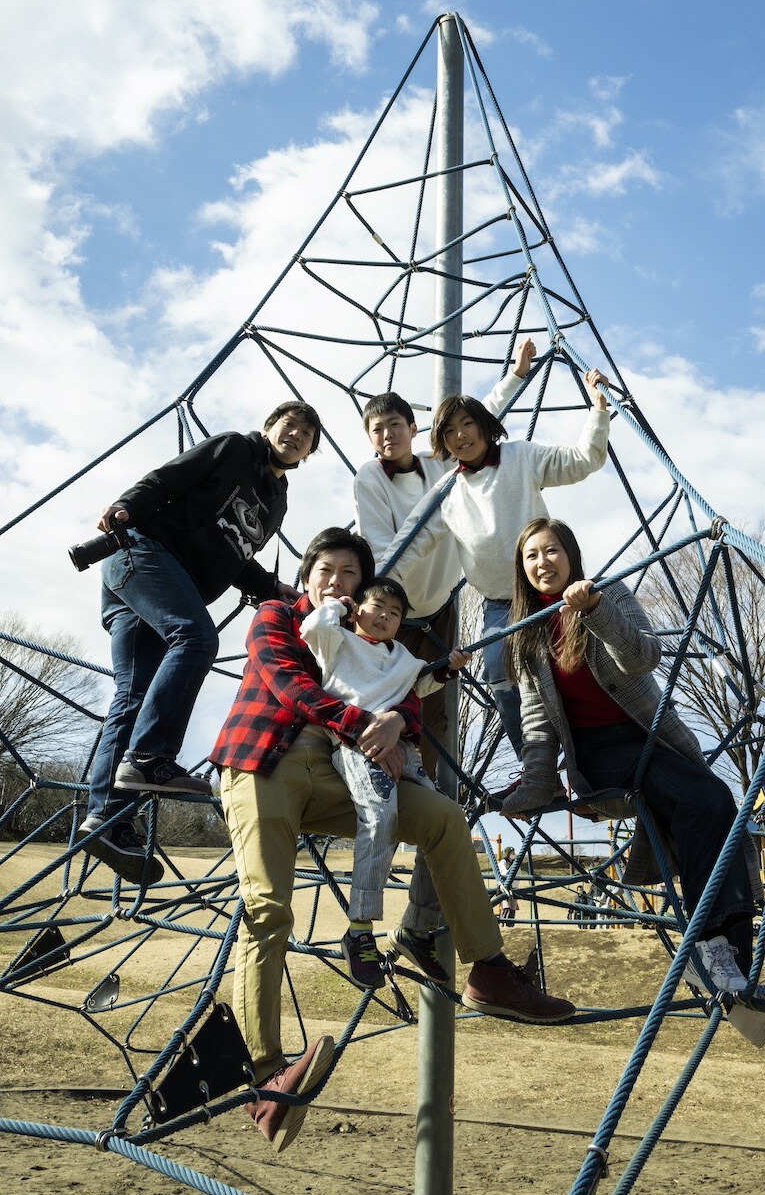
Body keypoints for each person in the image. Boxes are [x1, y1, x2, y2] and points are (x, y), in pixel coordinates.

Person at [211, 526, 579, 1154]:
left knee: (443, 817)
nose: (337, 582)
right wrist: (368, 723)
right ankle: (267, 1076)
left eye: (350, 574)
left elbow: (404, 693)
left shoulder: (375, 641)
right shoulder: (279, 616)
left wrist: (396, 718)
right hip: (266, 761)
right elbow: (292, 685)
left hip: (339, 769)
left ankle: (488, 969)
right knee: (267, 909)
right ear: (306, 576)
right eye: (326, 570)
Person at [502, 516, 764, 999]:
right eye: (531, 555)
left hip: (649, 736)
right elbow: (537, 721)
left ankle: (735, 972)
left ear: (571, 555)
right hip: (597, 754)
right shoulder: (527, 635)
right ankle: (711, 953)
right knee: (703, 797)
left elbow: (644, 657)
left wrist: (595, 610)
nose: (543, 562)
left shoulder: (609, 594)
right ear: (521, 568)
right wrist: (537, 781)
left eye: (552, 550)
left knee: (716, 802)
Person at [80, 400, 321, 885]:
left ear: (310, 451)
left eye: (305, 434)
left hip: (170, 586)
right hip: (144, 554)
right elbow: (169, 478)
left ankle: (107, 822)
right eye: (288, 424)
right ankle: (150, 758)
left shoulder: (277, 501)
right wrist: (128, 504)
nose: (294, 434)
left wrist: (269, 587)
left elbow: (235, 552)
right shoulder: (234, 449)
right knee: (195, 638)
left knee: (133, 697)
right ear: (269, 426)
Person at [351, 339, 533, 967]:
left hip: (443, 610)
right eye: (376, 431)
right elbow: (386, 550)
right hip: (398, 616)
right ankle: (388, 881)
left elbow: (474, 429)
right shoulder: (370, 479)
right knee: (400, 739)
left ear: (412, 429)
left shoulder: (440, 464)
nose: (386, 438)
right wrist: (369, 613)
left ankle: (423, 917)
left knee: (440, 747)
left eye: (394, 426)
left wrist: (514, 377)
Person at [381, 367, 611, 755]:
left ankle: (588, 755)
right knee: (498, 670)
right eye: (449, 431)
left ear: (485, 425)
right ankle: (535, 763)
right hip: (501, 602)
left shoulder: (520, 456)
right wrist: (376, 584)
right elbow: (411, 542)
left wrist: (599, 409)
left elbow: (582, 460)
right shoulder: (448, 491)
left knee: (575, 666)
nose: (460, 435)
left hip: (551, 592)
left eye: (467, 424)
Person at [299, 576, 468, 988]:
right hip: (358, 744)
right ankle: (359, 930)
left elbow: (421, 681)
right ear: (358, 609)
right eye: (377, 607)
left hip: (404, 749)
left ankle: (417, 926)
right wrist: (339, 606)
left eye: (394, 614)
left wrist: (448, 668)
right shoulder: (339, 642)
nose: (385, 617)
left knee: (444, 821)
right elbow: (312, 627)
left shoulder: (402, 656)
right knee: (379, 817)